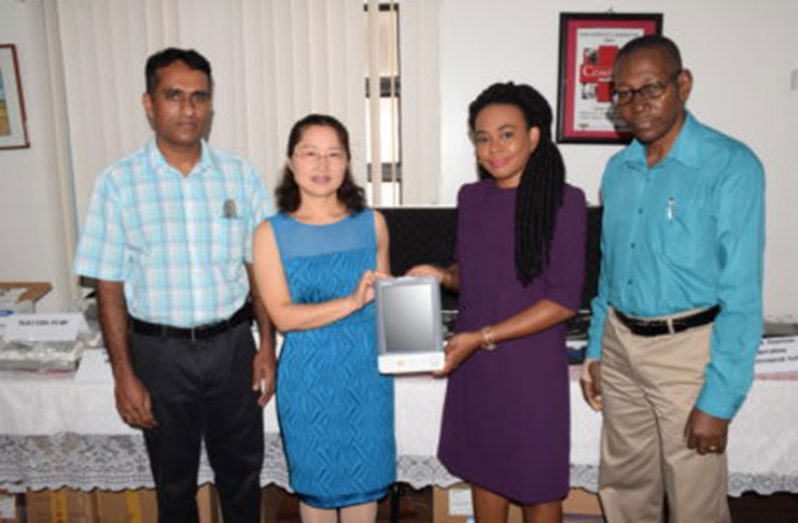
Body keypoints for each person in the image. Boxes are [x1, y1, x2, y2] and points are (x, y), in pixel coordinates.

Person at [73, 48, 276, 522]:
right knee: (173, 483)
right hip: (159, 355)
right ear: (149, 103)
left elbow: (260, 271)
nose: (189, 109)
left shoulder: (241, 176)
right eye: (174, 96)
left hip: (231, 349)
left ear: (211, 105)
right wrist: (124, 374)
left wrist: (266, 346)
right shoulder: (117, 183)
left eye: (200, 97)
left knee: (243, 476)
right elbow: (108, 287)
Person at [580, 35, 765, 522]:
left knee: (694, 502)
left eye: (651, 88)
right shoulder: (618, 171)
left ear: (683, 84)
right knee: (623, 488)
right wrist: (598, 348)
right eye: (622, 93)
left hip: (687, 352)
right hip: (621, 344)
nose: (635, 105)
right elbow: (609, 270)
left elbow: (742, 292)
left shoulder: (730, 165)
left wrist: (719, 401)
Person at [409, 83, 587, 523]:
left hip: (529, 369)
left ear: (533, 136)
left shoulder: (565, 202)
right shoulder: (472, 198)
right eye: (482, 138)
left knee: (538, 484)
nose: (493, 148)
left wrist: (482, 337)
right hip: (477, 366)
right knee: (484, 472)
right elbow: (476, 273)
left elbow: (563, 300)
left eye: (506, 134)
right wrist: (441, 275)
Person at [252, 114, 395, 522]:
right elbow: (283, 316)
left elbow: (384, 306)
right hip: (310, 380)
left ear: (348, 162)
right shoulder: (270, 233)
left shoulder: (373, 224)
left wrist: (411, 297)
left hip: (367, 377)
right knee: (316, 494)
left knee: (363, 495)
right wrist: (351, 301)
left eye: (334, 154)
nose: (322, 165)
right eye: (310, 154)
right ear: (291, 163)